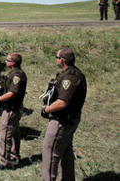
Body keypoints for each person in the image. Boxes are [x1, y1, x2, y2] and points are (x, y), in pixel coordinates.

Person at [41, 49, 87, 181]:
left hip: (62, 121)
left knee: (50, 152)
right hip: (68, 119)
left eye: (56, 57)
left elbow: (62, 102)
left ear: (61, 60)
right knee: (65, 151)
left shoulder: (70, 77)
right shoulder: (71, 73)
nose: (55, 59)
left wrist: (46, 110)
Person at [0, 53, 27, 170]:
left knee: (5, 135)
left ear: (13, 63)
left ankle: (5, 162)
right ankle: (14, 156)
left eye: (7, 60)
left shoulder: (17, 75)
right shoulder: (13, 73)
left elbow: (13, 92)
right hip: (12, 108)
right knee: (14, 134)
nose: (6, 61)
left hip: (12, 109)